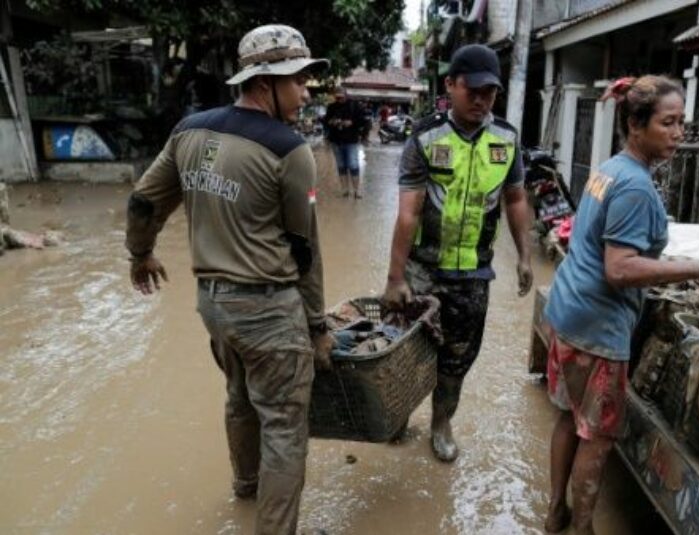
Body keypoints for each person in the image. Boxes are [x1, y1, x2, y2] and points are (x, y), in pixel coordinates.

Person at [125, 24, 332, 535]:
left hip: (213, 306)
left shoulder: (190, 130)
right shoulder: (290, 150)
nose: (306, 91)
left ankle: (245, 487)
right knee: (285, 428)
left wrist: (141, 253)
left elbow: (144, 200)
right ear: (264, 83)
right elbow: (304, 248)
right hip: (267, 310)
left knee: (240, 397)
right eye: (299, 79)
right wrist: (318, 324)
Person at [541, 75, 699, 535]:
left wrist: (670, 264)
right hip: (598, 325)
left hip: (567, 309)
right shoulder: (635, 187)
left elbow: (608, 249)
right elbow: (619, 268)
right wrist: (697, 269)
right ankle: (583, 528)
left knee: (567, 418)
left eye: (682, 123)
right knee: (596, 436)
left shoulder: (610, 168)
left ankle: (555, 512)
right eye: (668, 122)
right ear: (636, 125)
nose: (678, 133)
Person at [382, 44, 534, 462]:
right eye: (474, 90)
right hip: (423, 270)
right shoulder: (426, 137)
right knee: (404, 351)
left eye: (491, 93)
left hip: (473, 275)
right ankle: (395, 416)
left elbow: (516, 199)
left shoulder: (506, 139)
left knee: (457, 357)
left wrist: (524, 256)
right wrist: (395, 278)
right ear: (450, 85)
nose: (483, 101)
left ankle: (441, 423)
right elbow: (408, 212)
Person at [323, 88, 369, 198]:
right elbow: (326, 122)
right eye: (337, 98)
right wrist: (332, 122)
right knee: (341, 166)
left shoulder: (355, 106)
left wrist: (352, 123)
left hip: (351, 140)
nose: (339, 100)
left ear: (346, 95)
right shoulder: (331, 107)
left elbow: (363, 121)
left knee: (353, 165)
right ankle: (345, 190)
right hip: (336, 140)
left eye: (341, 97)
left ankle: (356, 191)